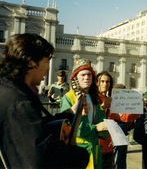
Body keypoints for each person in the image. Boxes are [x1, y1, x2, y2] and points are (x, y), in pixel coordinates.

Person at [0, 33, 89, 168]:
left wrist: (70, 113)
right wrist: (79, 155)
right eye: (46, 61)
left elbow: (34, 130)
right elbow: (38, 159)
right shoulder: (19, 103)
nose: (48, 68)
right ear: (31, 61)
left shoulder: (9, 89)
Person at [60, 58, 109, 169]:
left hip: (95, 149)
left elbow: (101, 117)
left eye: (89, 74)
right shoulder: (68, 98)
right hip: (78, 151)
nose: (86, 77)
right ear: (76, 78)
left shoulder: (94, 98)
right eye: (82, 75)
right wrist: (96, 128)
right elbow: (70, 127)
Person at [110, 83, 141, 169]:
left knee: (120, 159)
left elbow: (129, 117)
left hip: (120, 133)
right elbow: (126, 117)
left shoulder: (117, 105)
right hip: (117, 134)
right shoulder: (114, 106)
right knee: (118, 159)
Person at [96, 71, 114, 169]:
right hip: (96, 146)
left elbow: (120, 117)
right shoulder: (91, 99)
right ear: (96, 83)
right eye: (102, 81)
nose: (105, 84)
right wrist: (103, 106)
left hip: (108, 147)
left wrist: (138, 107)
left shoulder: (111, 100)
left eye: (107, 82)